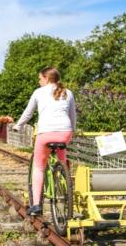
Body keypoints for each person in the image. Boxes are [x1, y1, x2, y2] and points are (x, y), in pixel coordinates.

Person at [13, 67, 76, 216]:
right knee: (62, 158)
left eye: (40, 78)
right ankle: (63, 181)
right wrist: (71, 132)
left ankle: (36, 205)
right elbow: (73, 116)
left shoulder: (38, 92)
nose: (38, 81)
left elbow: (28, 112)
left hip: (45, 134)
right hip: (65, 133)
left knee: (39, 167)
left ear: (46, 78)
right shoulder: (68, 92)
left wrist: (18, 125)